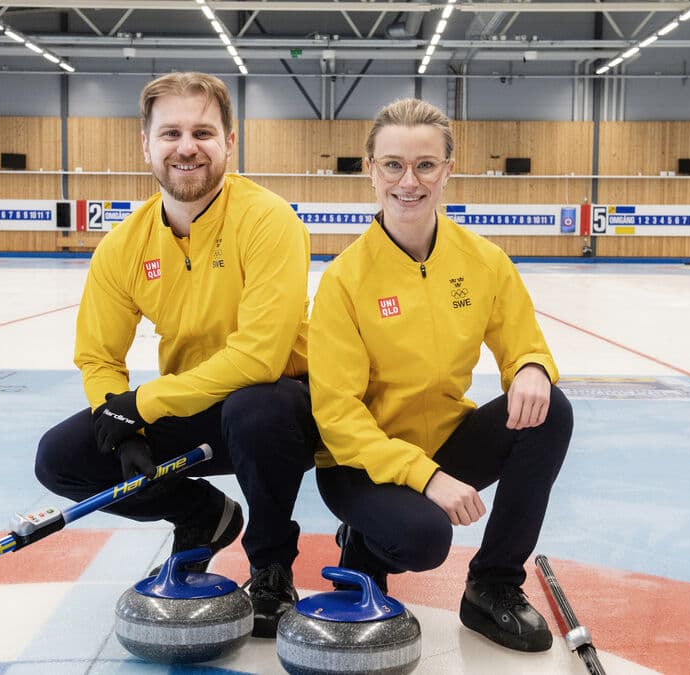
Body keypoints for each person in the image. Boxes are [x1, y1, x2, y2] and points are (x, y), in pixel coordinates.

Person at [35, 72, 318, 638]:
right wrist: (121, 423)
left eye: (203, 132)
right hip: (195, 401)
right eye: (170, 133)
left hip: (289, 410)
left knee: (255, 405)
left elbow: (260, 358)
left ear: (229, 144)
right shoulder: (125, 244)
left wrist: (143, 403)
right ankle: (200, 514)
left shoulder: (267, 219)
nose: (186, 147)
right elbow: (97, 356)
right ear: (146, 144)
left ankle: (270, 565)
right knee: (61, 456)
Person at [308, 98, 573, 652]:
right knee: (425, 539)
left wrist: (530, 367)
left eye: (425, 165)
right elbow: (336, 414)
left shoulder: (483, 261)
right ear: (370, 170)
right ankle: (362, 547)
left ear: (448, 170)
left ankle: (493, 586)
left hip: (446, 442)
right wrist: (424, 479)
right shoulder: (345, 280)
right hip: (364, 464)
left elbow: (522, 339)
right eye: (393, 165)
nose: (410, 180)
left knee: (551, 411)